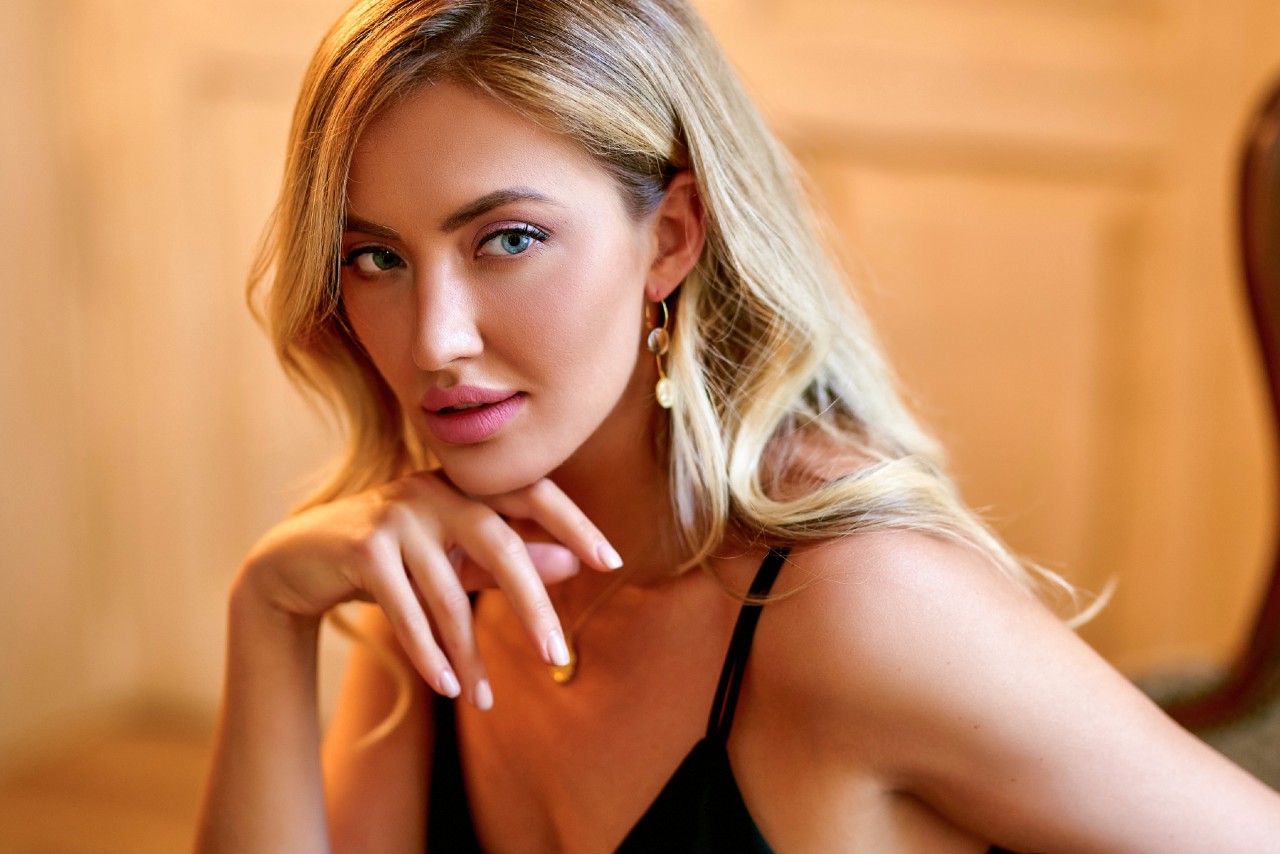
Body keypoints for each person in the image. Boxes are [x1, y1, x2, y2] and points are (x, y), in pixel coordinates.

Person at [194, 0, 1280, 851]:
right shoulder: (446, 571)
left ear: (668, 237)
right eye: (374, 256)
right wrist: (271, 612)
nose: (432, 339)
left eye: (507, 239)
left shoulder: (850, 607)